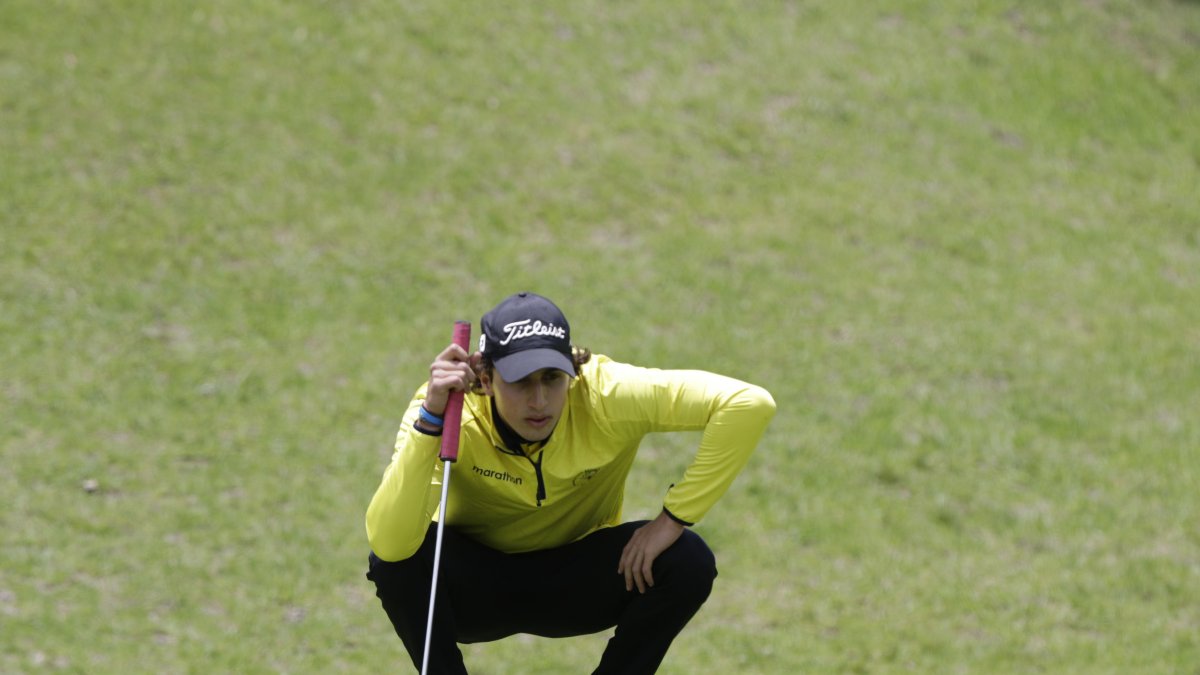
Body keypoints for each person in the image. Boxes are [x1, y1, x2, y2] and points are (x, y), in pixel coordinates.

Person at [365, 291, 776, 674]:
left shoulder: (607, 393)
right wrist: (432, 422)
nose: (539, 400)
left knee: (687, 560)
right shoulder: (444, 410)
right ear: (485, 379)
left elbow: (748, 403)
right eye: (520, 381)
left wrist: (672, 519)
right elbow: (389, 544)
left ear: (573, 371)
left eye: (552, 378)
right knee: (395, 564)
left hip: (574, 579)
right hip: (472, 590)